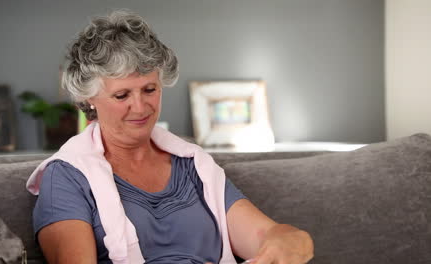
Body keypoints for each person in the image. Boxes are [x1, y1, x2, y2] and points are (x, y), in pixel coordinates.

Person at [27, 9, 314, 264]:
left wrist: (287, 243)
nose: (140, 107)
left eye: (149, 90)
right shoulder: (66, 178)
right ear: (89, 99)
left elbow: (273, 235)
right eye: (122, 95)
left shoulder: (193, 167)